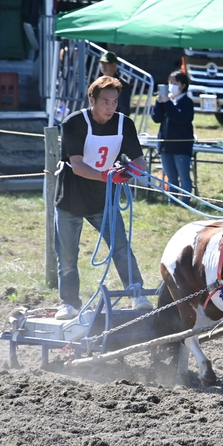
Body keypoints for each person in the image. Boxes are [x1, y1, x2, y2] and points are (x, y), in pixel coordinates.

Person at [54, 76, 153, 320]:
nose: (111, 108)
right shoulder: (74, 123)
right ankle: (68, 303)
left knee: (121, 247)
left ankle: (136, 293)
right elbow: (77, 165)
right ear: (92, 100)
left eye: (114, 102)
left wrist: (129, 173)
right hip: (71, 200)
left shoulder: (124, 124)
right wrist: (108, 175)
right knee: (67, 255)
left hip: (103, 201)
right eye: (105, 102)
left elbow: (141, 162)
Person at [150, 70, 194, 201]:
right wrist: (159, 103)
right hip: (166, 145)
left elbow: (179, 117)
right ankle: (172, 201)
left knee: (183, 176)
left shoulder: (187, 102)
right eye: (170, 82)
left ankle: (185, 202)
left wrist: (168, 103)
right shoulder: (166, 101)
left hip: (181, 146)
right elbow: (156, 118)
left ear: (183, 85)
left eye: (175, 83)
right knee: (171, 176)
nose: (172, 85)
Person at [99, 51, 134, 116]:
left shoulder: (121, 85)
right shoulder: (98, 83)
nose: (103, 65)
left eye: (107, 63)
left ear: (114, 65)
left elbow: (124, 111)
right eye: (102, 63)